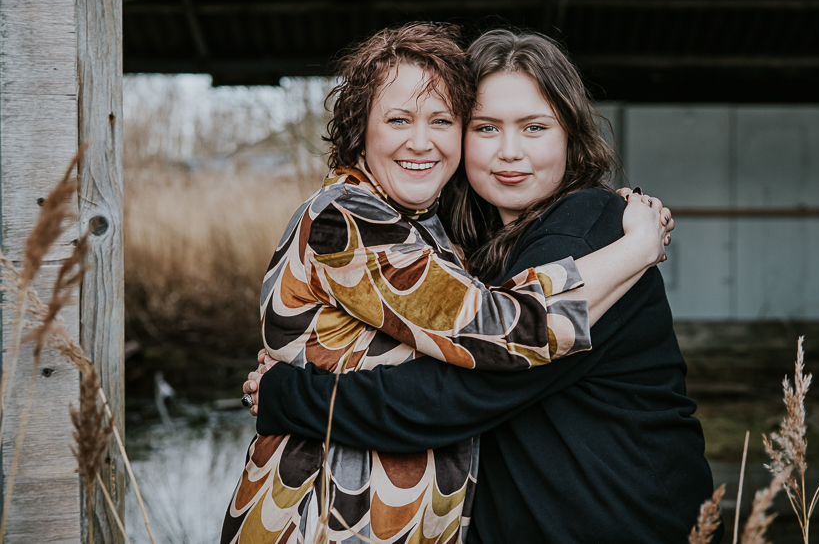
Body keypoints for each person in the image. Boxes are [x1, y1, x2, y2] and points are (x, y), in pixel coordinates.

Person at [248, 29, 717, 543]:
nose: (509, 152)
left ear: (570, 134)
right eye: (486, 128)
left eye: (534, 128)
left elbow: (462, 393)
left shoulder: (586, 227)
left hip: (619, 523)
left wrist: (290, 395)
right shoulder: (454, 236)